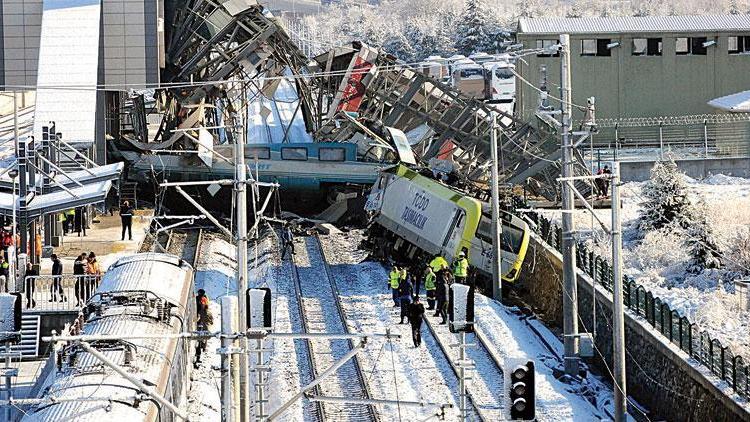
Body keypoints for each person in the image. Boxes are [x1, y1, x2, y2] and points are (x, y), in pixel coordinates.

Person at [195, 289, 212, 367]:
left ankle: (202, 348)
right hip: (200, 319)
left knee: (202, 336)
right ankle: (201, 350)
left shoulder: (202, 300)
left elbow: (203, 309)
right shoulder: (202, 299)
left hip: (201, 319)